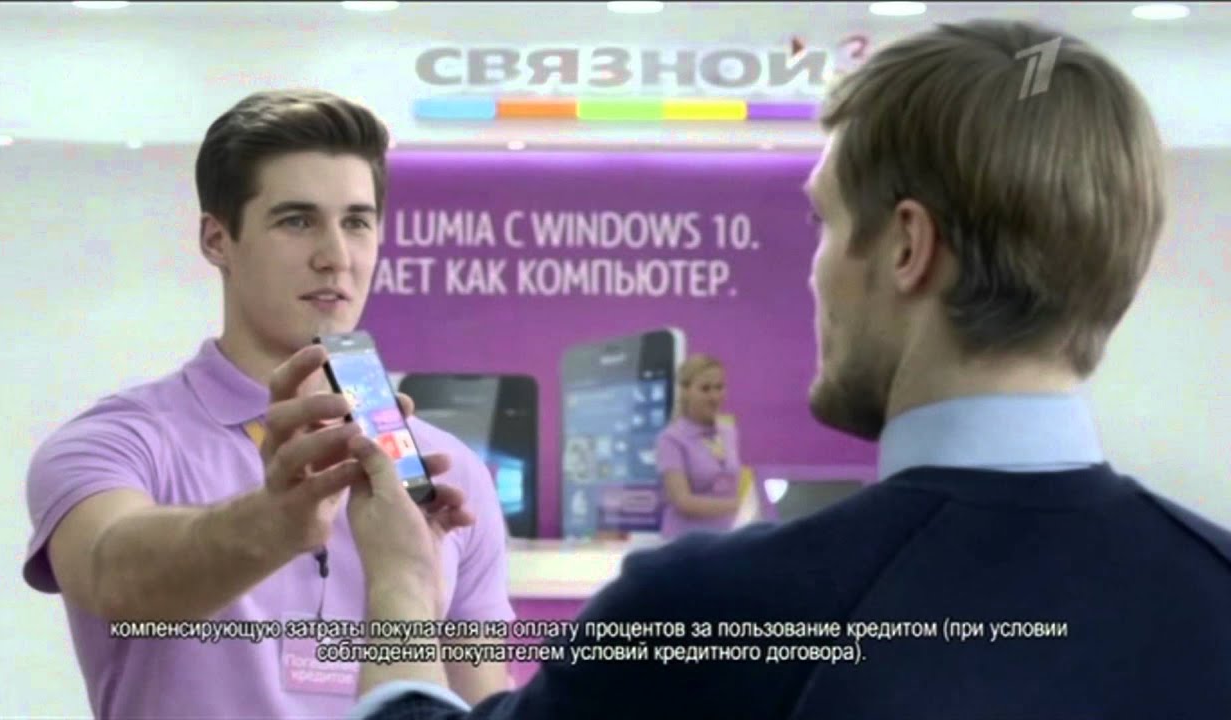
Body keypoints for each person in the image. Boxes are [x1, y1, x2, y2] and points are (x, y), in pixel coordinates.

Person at [337, 19, 1231, 720]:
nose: (814, 272)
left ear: (907, 247)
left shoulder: (710, 616)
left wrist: (405, 582)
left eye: (825, 224)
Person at [22, 89, 515, 720]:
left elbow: (481, 699)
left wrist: (409, 587)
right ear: (217, 240)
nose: (335, 257)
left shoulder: (448, 471)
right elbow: (109, 573)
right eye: (297, 221)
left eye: (357, 222)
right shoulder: (119, 442)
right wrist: (273, 523)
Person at [655, 354, 744, 539]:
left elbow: (732, 484)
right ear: (686, 391)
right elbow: (682, 501)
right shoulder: (670, 439)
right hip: (685, 543)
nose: (714, 396)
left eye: (719, 387)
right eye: (705, 389)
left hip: (726, 539)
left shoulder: (729, 432)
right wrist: (739, 506)